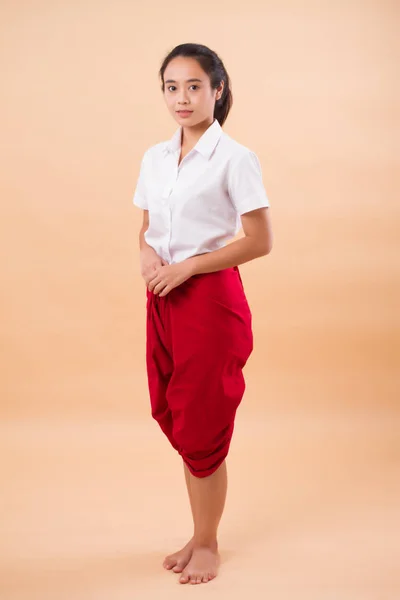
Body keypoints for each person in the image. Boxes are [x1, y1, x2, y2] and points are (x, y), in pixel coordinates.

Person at [132, 43, 273, 585]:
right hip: (162, 296)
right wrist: (147, 256)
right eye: (171, 87)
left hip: (209, 301)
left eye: (194, 86)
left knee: (204, 422)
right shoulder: (155, 157)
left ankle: (208, 543)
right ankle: (199, 531)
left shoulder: (236, 158)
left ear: (218, 90)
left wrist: (188, 267)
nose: (182, 98)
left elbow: (261, 241)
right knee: (176, 413)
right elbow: (146, 228)